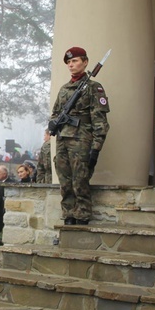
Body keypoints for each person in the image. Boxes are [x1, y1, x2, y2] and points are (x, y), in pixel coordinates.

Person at [50, 46, 110, 225]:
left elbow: (100, 121)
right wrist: (53, 123)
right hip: (63, 140)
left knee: (80, 179)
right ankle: (68, 214)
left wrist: (96, 148)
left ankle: (82, 214)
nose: (71, 65)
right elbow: (55, 113)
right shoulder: (64, 89)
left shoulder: (93, 88)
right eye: (68, 62)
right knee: (65, 179)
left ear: (85, 62)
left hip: (81, 139)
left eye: (75, 61)